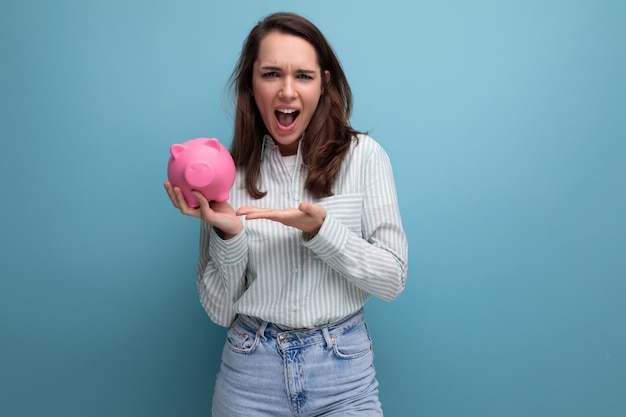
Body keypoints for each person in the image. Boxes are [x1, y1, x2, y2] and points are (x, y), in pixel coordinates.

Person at [164, 12, 408, 417]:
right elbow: (219, 312)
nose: (287, 92)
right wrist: (229, 236)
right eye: (272, 74)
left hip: (343, 374)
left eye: (304, 76)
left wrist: (323, 232)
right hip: (249, 375)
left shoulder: (364, 157)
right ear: (250, 83)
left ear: (324, 83)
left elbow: (392, 279)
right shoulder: (227, 174)